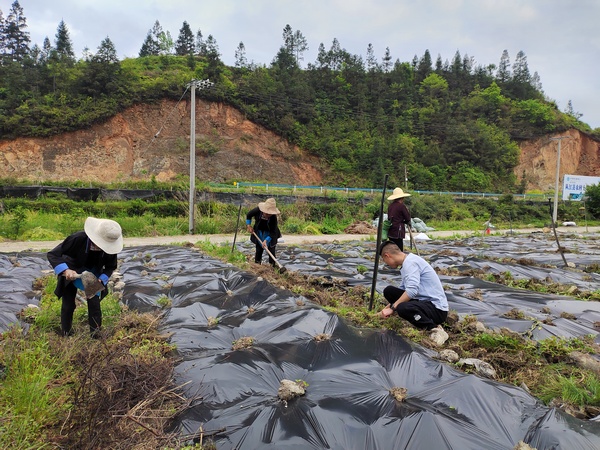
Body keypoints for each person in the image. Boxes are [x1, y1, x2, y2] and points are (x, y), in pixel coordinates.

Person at [47, 217, 123, 337]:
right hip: (72, 270)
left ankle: (96, 336)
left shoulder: (110, 248)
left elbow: (110, 267)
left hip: (91, 274)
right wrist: (66, 270)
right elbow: (53, 254)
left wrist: (102, 278)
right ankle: (66, 333)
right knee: (68, 305)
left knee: (94, 303)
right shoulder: (78, 238)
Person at [377, 240, 448, 331]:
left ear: (387, 255)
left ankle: (433, 328)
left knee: (402, 308)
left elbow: (411, 291)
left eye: (384, 260)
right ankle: (414, 315)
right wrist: (387, 308)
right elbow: (403, 290)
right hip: (423, 301)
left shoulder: (410, 263)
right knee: (389, 291)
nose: (386, 263)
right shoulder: (406, 262)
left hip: (437, 309)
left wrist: (393, 308)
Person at [246, 197, 282, 266]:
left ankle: (272, 267)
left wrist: (266, 240)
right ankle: (257, 266)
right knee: (259, 250)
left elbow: (273, 231)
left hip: (270, 234)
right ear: (263, 210)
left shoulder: (273, 218)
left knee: (271, 251)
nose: (268, 215)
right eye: (267, 213)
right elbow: (249, 215)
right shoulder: (257, 211)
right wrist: (248, 225)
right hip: (259, 232)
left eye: (270, 214)